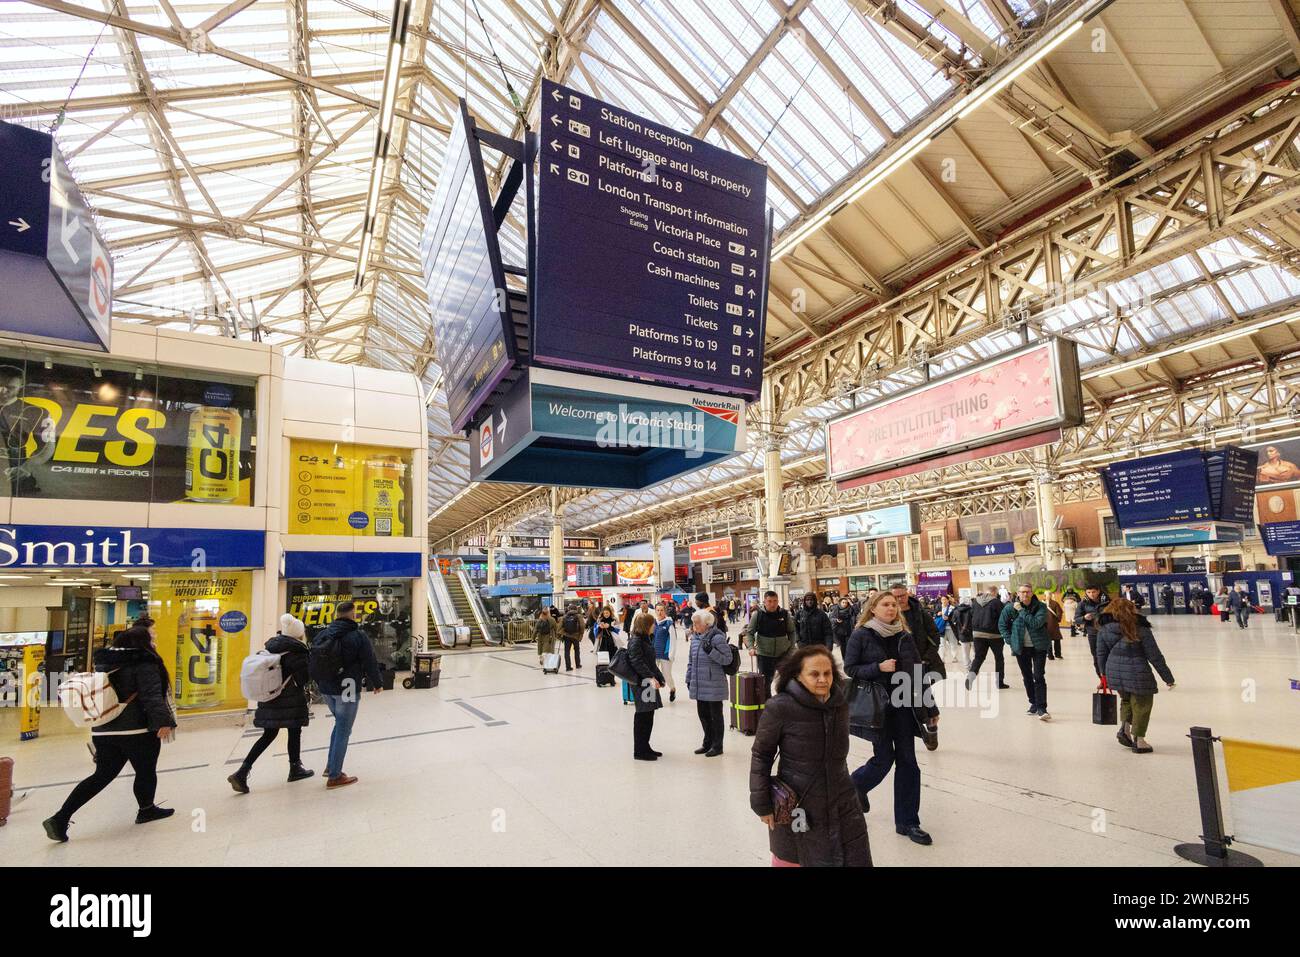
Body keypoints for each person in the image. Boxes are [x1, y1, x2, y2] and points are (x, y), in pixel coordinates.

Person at [43, 626, 177, 842]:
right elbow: (151, 695)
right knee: (145, 770)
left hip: (103, 728)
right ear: (140, 642)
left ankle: (60, 818)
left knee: (102, 775)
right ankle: (146, 809)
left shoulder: (106, 662)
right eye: (151, 637)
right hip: (137, 730)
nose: (154, 639)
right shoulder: (145, 661)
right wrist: (163, 721)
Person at [749, 645, 872, 867]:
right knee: (796, 857)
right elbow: (761, 754)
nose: (823, 679)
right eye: (814, 674)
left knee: (851, 856)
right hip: (798, 803)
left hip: (842, 798)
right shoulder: (780, 707)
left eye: (828, 673)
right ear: (798, 675)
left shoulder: (839, 704)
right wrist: (761, 802)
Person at [844, 591, 937, 846]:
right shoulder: (861, 635)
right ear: (872, 609)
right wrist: (878, 668)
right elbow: (849, 668)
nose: (891, 608)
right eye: (885, 604)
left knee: (909, 762)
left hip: (905, 707)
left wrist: (931, 708)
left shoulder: (905, 637)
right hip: (878, 708)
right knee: (884, 759)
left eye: (894, 605)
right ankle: (856, 785)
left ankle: (909, 822)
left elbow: (918, 672)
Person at [227, 615, 314, 794]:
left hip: (270, 698)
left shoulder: (272, 647)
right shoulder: (296, 651)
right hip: (289, 699)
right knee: (294, 731)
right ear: (299, 634)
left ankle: (243, 770)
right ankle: (295, 768)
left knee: (268, 734)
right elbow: (303, 678)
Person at [312, 601, 383, 789]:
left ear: (336, 614)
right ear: (353, 615)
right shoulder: (357, 635)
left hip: (326, 686)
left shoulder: (323, 634)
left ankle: (330, 766)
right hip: (348, 685)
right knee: (344, 729)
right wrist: (377, 683)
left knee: (340, 725)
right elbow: (369, 660)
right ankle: (335, 776)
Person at [1096, 598, 1176, 753]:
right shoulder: (1140, 628)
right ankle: (1139, 741)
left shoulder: (1104, 628)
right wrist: (1168, 678)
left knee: (1126, 700)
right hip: (1137, 671)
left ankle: (1125, 730)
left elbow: (1100, 653)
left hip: (1114, 671)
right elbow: (1154, 655)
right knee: (1142, 704)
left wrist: (1103, 676)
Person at [999, 584, 1052, 720]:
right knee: (1027, 676)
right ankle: (1033, 703)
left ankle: (1042, 708)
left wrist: (1021, 610)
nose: (1025, 595)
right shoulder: (1010, 608)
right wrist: (1010, 640)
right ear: (1018, 593)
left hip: (1039, 646)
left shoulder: (1040, 606)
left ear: (1032, 593)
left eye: (1027, 592)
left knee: (1039, 676)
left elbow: (1035, 623)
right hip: (1021, 648)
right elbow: (1002, 625)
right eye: (1022, 592)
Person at [686, 609, 732, 757]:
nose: (694, 626)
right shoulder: (695, 639)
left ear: (707, 623)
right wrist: (688, 678)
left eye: (697, 623)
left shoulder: (717, 638)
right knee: (703, 715)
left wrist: (711, 650)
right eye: (693, 623)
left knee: (715, 716)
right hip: (699, 683)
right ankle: (707, 743)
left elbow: (727, 659)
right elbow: (691, 662)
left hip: (714, 684)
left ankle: (717, 746)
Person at [626, 612, 666, 761]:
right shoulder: (636, 641)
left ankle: (645, 746)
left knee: (649, 714)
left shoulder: (645, 639)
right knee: (643, 715)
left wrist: (659, 678)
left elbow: (650, 662)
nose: (654, 626)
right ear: (646, 626)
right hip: (642, 683)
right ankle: (639, 750)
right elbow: (637, 662)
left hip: (647, 682)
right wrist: (650, 678)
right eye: (652, 624)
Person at [745, 590, 796, 687]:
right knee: (765, 684)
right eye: (769, 601)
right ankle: (767, 702)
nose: (773, 604)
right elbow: (750, 632)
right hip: (764, 656)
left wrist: (792, 648)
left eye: (775, 601)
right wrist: (751, 647)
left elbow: (792, 632)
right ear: (764, 602)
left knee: (787, 682)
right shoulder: (758, 615)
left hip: (783, 655)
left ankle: (785, 701)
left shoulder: (784, 614)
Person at [965, 586, 1007, 690]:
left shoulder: (975, 602)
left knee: (978, 657)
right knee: (999, 658)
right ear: (994, 592)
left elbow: (970, 616)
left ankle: (970, 678)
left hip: (978, 634)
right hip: (995, 635)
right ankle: (999, 683)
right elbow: (1003, 618)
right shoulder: (996, 602)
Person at [1077, 585, 1109, 675]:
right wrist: (1084, 618)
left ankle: (1110, 678)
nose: (1091, 594)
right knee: (1096, 656)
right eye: (1089, 592)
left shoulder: (1107, 601)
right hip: (1093, 633)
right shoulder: (1083, 603)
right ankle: (1102, 678)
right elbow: (1076, 618)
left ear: (1098, 591)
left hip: (1107, 632)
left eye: (1093, 592)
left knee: (1109, 655)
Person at [653, 602, 676, 702]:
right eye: (658, 610)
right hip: (654, 654)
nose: (659, 612)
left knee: (666, 675)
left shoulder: (669, 624)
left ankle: (672, 689)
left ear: (665, 611)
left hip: (665, 654)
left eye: (661, 610)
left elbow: (673, 640)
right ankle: (654, 696)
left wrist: (671, 654)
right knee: (653, 675)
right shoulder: (653, 623)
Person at [950, 596, 973, 669]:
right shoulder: (972, 610)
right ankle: (974, 666)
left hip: (962, 634)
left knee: (965, 653)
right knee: (976, 652)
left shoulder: (956, 611)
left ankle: (967, 666)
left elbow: (953, 622)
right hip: (973, 634)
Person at [937, 595, 960, 664]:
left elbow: (955, 617)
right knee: (942, 644)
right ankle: (942, 658)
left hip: (950, 628)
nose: (943, 601)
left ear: (948, 600)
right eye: (942, 600)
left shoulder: (952, 608)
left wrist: (949, 618)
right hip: (941, 629)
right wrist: (937, 614)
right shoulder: (938, 607)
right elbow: (934, 616)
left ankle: (954, 657)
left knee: (953, 643)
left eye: (945, 599)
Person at [560, 604, 584, 671]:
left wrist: (562, 635)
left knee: (566, 651)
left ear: (568, 609)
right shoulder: (578, 616)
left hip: (567, 636)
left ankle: (568, 667)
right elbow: (582, 626)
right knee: (576, 650)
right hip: (575, 636)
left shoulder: (564, 617)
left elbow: (560, 627)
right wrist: (581, 635)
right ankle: (578, 665)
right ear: (576, 609)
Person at [1044, 590, 1065, 660]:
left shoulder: (1042, 604)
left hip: (1048, 624)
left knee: (1051, 640)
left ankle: (1053, 655)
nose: (1048, 596)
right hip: (1051, 624)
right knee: (1054, 640)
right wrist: (1058, 619)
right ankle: (1055, 655)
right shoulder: (1054, 603)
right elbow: (1059, 613)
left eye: (1048, 594)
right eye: (1047, 594)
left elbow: (1059, 613)